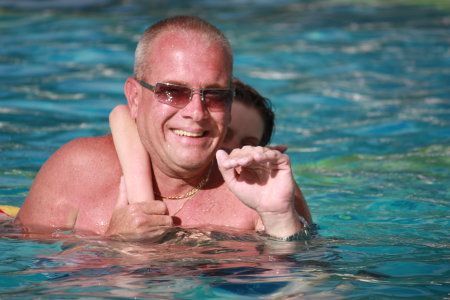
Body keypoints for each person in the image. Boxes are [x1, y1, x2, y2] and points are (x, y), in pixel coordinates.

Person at [17, 16, 309, 240]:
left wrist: (281, 220)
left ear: (230, 105)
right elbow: (28, 278)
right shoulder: (76, 171)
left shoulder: (263, 191)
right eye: (173, 92)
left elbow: (309, 285)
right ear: (134, 97)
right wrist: (114, 247)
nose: (196, 112)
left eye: (215, 95)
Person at [109, 77, 312, 224]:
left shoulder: (265, 192)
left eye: (246, 143)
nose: (231, 148)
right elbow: (122, 114)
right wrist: (141, 200)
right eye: (225, 134)